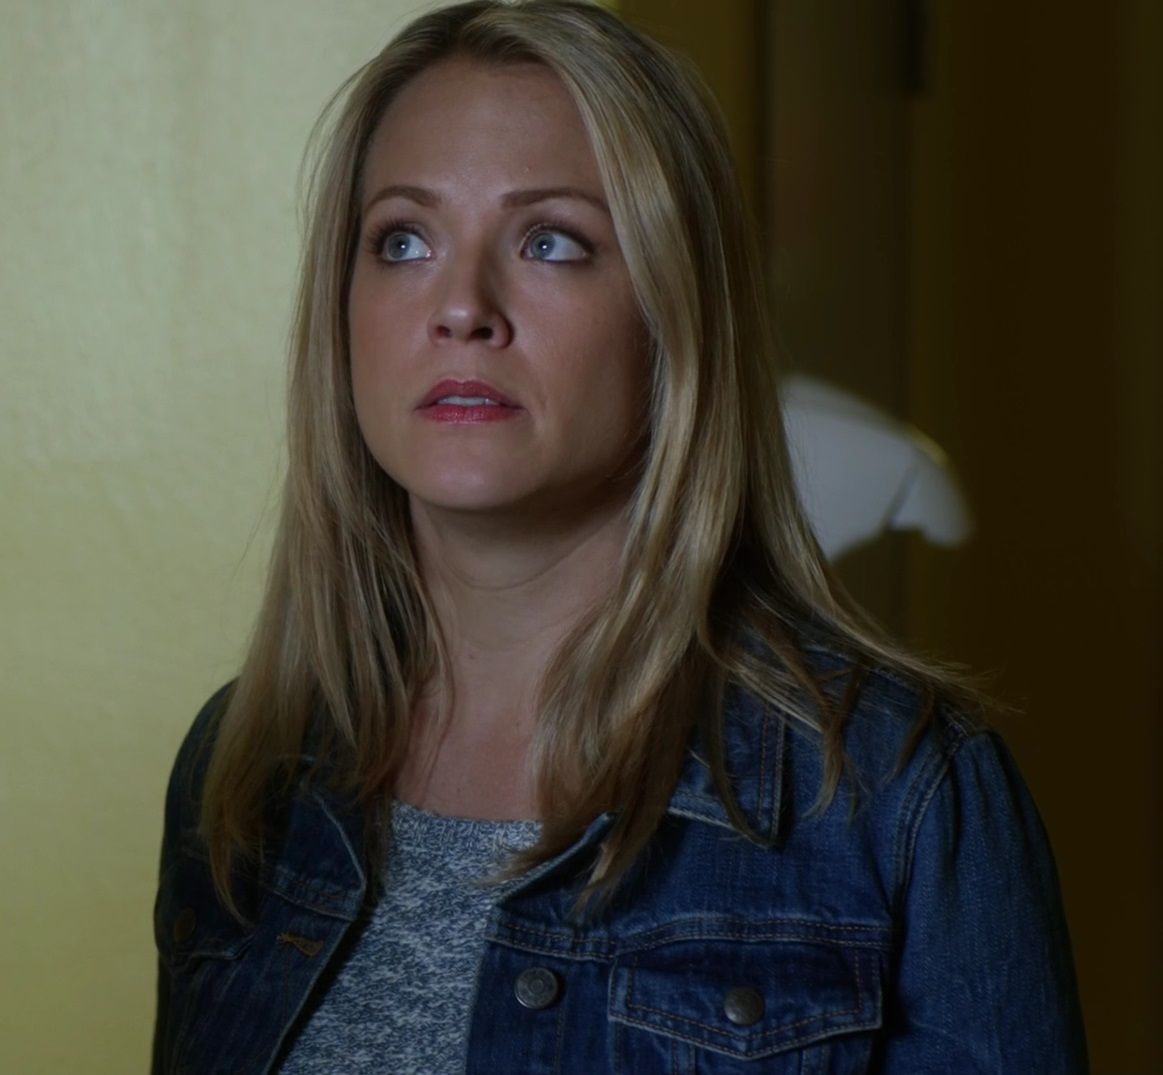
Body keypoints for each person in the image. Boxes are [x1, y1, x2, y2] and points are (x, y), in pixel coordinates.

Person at [151, 2, 1088, 1071]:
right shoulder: (243, 771)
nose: (461, 308)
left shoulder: (898, 793)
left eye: (550, 241)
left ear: (672, 313)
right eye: (402, 240)